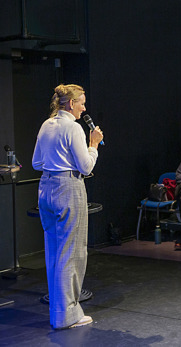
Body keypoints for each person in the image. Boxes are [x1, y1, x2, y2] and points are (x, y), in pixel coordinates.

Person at [32, 84, 104, 329]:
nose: (84, 108)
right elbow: (86, 167)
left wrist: (57, 160)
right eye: (82, 103)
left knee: (54, 252)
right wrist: (93, 145)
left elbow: (36, 162)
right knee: (72, 253)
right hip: (68, 188)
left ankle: (58, 313)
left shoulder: (46, 125)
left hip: (46, 187)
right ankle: (68, 316)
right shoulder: (73, 127)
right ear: (70, 104)